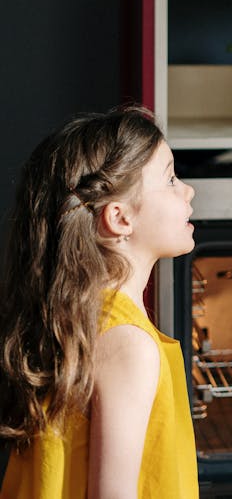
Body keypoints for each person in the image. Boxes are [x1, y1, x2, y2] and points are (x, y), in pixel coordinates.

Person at [0, 106, 199, 498]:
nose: (188, 189)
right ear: (120, 218)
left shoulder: (80, 316)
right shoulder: (128, 344)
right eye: (171, 178)